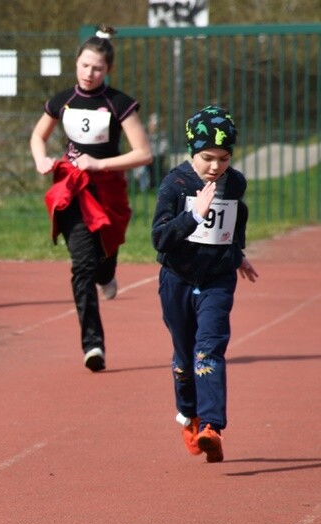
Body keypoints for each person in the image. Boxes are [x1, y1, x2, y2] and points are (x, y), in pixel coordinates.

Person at [29, 25, 153, 372]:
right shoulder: (63, 100)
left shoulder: (119, 103)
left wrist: (99, 162)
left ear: (107, 70)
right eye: (84, 65)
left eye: (97, 68)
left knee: (105, 251)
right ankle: (93, 344)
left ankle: (107, 271)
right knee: (82, 265)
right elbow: (38, 136)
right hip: (73, 191)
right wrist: (41, 158)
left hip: (108, 190)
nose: (89, 73)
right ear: (76, 64)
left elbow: (143, 153)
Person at [151, 105, 258, 463]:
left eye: (224, 158)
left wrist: (237, 253)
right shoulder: (175, 184)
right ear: (192, 152)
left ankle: (211, 426)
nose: (216, 167)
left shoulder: (235, 182)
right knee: (184, 358)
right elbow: (160, 238)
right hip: (177, 279)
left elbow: (236, 217)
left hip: (217, 279)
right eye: (208, 158)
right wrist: (194, 215)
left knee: (208, 350)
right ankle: (190, 415)